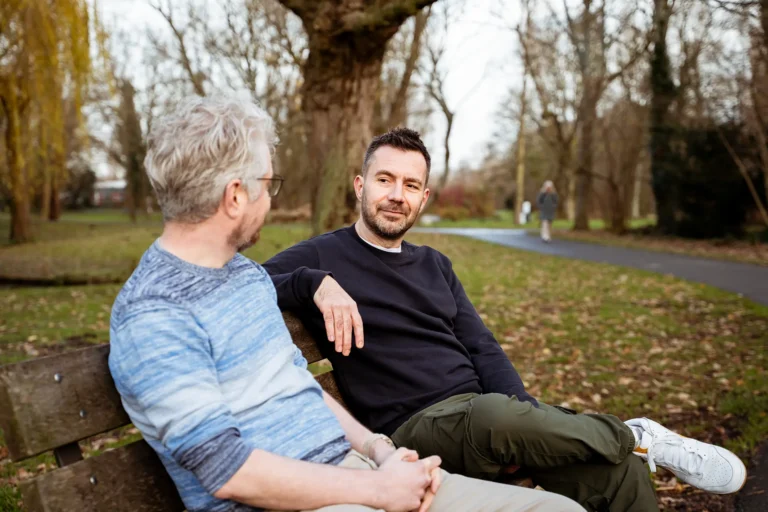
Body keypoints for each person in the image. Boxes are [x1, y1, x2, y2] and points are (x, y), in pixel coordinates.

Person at [108, 97, 581, 512]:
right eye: (267, 185)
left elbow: (298, 384)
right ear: (235, 196)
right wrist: (376, 488)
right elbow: (231, 473)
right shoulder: (154, 314)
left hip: (359, 474)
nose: (269, 201)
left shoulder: (244, 277)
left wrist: (380, 452)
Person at [264, 128, 747, 512]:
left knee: (620, 473)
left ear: (424, 197)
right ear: (360, 185)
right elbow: (244, 282)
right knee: (493, 414)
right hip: (412, 428)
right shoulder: (322, 253)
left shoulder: (435, 264)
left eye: (410, 185)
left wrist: (529, 427)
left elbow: (483, 348)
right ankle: (636, 434)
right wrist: (312, 282)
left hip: (488, 419)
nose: (397, 195)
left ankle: (632, 447)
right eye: (385, 179)